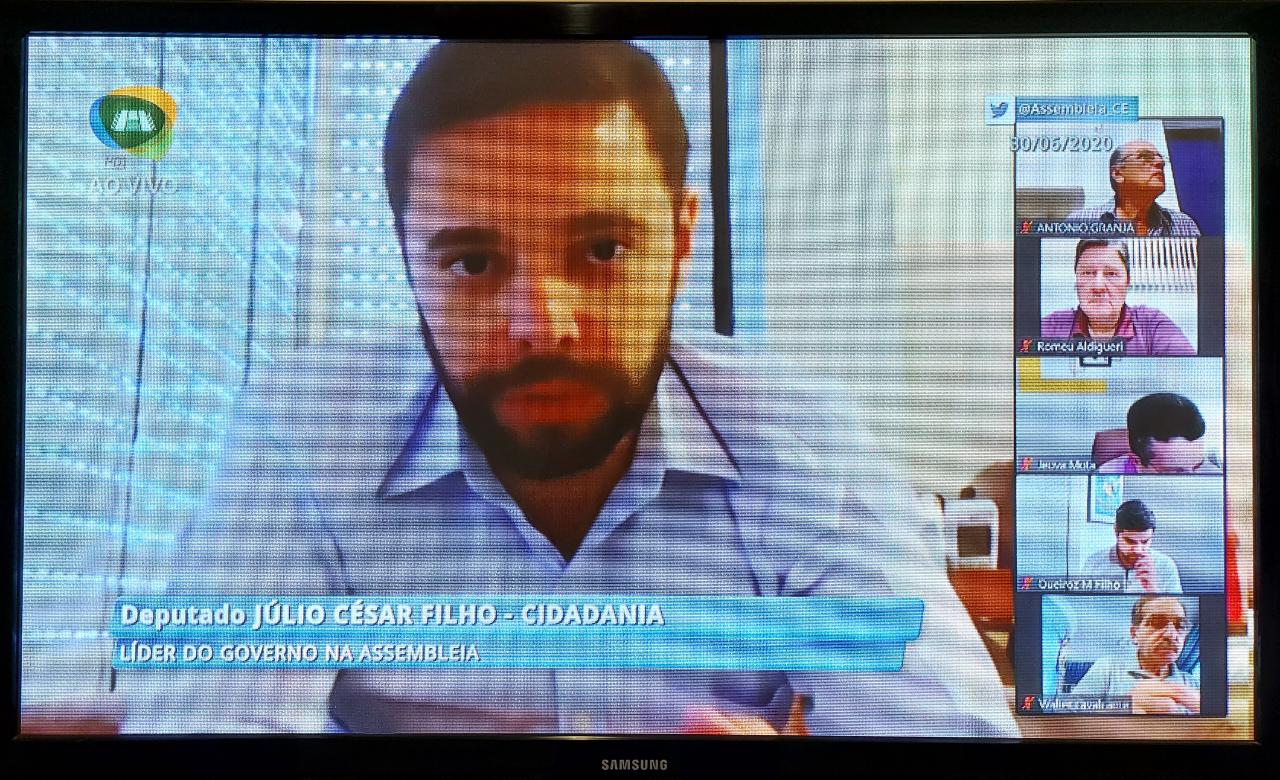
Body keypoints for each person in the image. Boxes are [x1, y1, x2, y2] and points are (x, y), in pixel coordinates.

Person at [122, 41, 1016, 737]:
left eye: (602, 250)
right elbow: (208, 728)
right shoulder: (302, 433)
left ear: (681, 240)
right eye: (473, 262)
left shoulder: (802, 440)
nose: (540, 325)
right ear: (405, 257)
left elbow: (947, 738)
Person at [1039, 239, 1194, 355]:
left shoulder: (1152, 325)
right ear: (1076, 280)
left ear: (1127, 281)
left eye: (1111, 274)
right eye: (1087, 273)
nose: (1098, 287)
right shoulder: (1052, 327)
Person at [1071, 596, 1199, 714]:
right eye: (1157, 622)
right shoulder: (1107, 668)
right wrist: (1123, 708)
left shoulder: (1192, 684)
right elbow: (1070, 714)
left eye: (1180, 626)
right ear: (1134, 634)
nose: (1172, 635)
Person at [1066, 139, 1201, 237]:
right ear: (1118, 174)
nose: (1160, 163)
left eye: (1160, 158)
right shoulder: (1080, 221)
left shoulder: (1184, 224)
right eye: (1145, 157)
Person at [1097, 392, 1215, 474]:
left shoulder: (1215, 474)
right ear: (1136, 461)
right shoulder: (1104, 481)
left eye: (1197, 466)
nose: (1193, 480)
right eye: (1176, 472)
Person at [1080, 499, 1182, 593]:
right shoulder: (1093, 562)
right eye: (1130, 541)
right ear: (1116, 531)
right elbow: (1081, 604)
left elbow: (1177, 607)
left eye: (1145, 541)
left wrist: (1153, 589)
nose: (1138, 550)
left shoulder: (1166, 566)